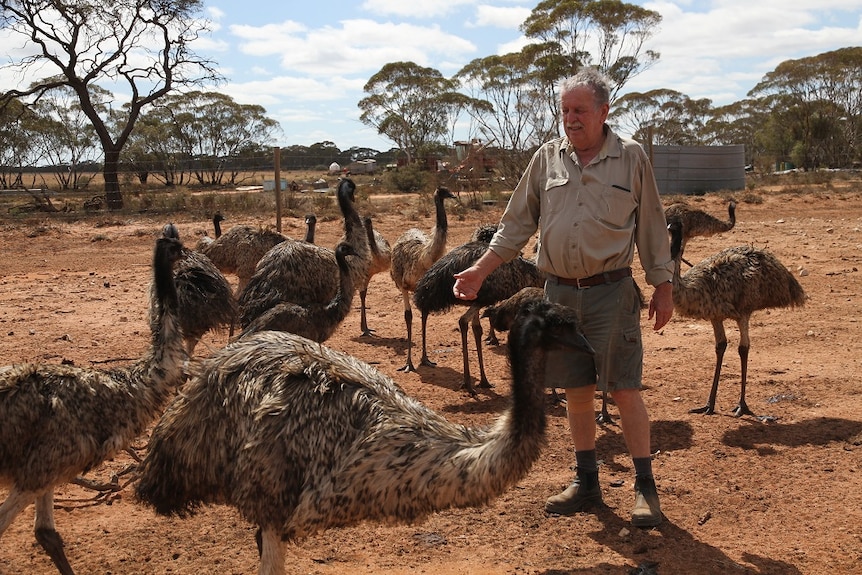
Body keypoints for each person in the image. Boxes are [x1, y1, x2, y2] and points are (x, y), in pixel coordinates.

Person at [452, 68, 674, 528]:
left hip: (611, 292)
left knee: (624, 388)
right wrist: (478, 270)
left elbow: (652, 226)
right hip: (557, 294)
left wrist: (663, 284)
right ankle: (587, 480)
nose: (571, 119)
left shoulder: (631, 158)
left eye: (580, 110)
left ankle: (645, 487)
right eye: (565, 110)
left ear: (603, 111)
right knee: (576, 389)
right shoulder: (545, 160)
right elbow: (515, 226)